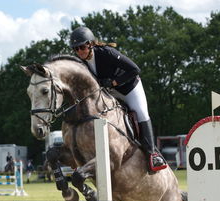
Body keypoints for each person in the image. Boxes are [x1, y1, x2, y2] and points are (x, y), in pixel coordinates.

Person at [69, 26, 167, 173]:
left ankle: (152, 154)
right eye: (76, 49)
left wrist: (114, 82)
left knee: (141, 113)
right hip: (110, 93)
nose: (79, 52)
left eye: (82, 47)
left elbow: (135, 69)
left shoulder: (107, 53)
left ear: (91, 44)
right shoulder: (81, 63)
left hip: (129, 88)